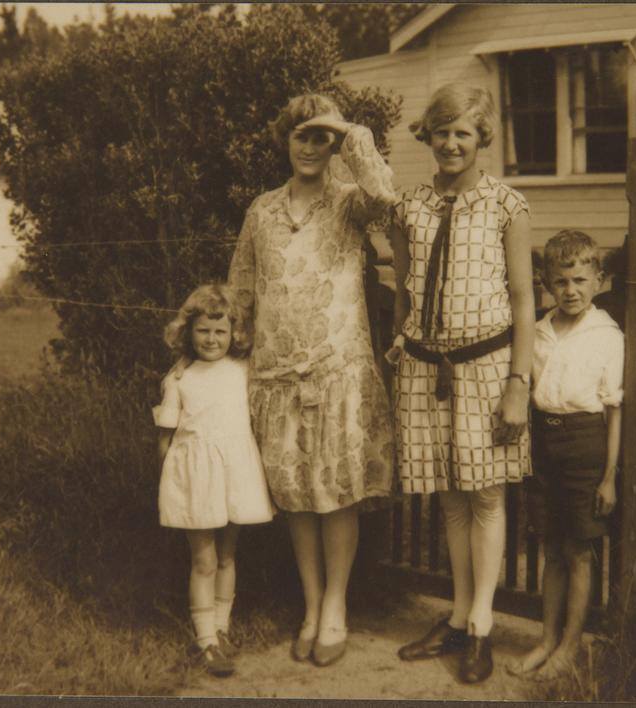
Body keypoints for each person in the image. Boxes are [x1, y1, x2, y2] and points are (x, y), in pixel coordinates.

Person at [228, 93, 395, 667]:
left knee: (336, 494)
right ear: (286, 139)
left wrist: (348, 133)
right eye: (301, 134)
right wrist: (233, 355)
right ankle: (311, 605)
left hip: (336, 373)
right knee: (296, 497)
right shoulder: (261, 210)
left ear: (334, 144)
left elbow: (387, 197)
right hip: (275, 377)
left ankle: (336, 608)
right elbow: (242, 287)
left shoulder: (350, 202)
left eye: (321, 137)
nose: (309, 146)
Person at [387, 84, 535, 683]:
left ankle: (481, 625)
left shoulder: (507, 206)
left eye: (463, 133)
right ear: (428, 135)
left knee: (487, 496)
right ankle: (455, 617)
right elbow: (404, 292)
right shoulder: (408, 207)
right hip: (425, 369)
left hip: (488, 368)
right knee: (449, 495)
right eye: (442, 132)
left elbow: (523, 300)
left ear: (482, 139)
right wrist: (400, 346)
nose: (451, 143)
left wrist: (519, 382)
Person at [506, 229, 623, 680]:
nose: (570, 290)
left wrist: (608, 476)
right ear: (546, 284)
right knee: (551, 548)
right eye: (561, 282)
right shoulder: (537, 332)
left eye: (579, 280)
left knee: (578, 551)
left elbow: (614, 409)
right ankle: (546, 640)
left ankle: (570, 647)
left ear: (598, 280)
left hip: (585, 443)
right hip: (545, 443)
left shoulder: (606, 335)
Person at [154, 284, 275, 678]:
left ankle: (221, 628)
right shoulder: (179, 378)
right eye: (203, 330)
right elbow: (165, 438)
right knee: (204, 560)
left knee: (227, 556)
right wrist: (171, 489)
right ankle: (205, 640)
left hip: (234, 472)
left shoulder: (243, 372)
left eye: (220, 331)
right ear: (188, 331)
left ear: (233, 333)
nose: (211, 339)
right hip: (196, 477)